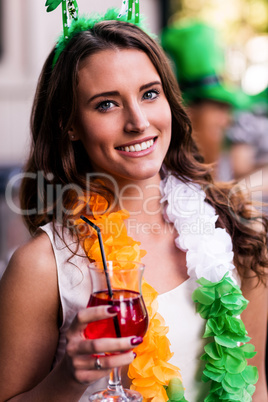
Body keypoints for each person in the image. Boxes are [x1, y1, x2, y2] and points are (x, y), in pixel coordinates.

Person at [0, 4, 267, 402]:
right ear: (68, 124)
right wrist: (67, 379)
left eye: (149, 94)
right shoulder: (41, 266)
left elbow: (256, 387)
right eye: (106, 103)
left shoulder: (236, 230)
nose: (138, 121)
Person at [161, 21, 251, 180]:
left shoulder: (220, 162)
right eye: (219, 108)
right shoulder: (165, 178)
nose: (227, 120)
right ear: (187, 112)